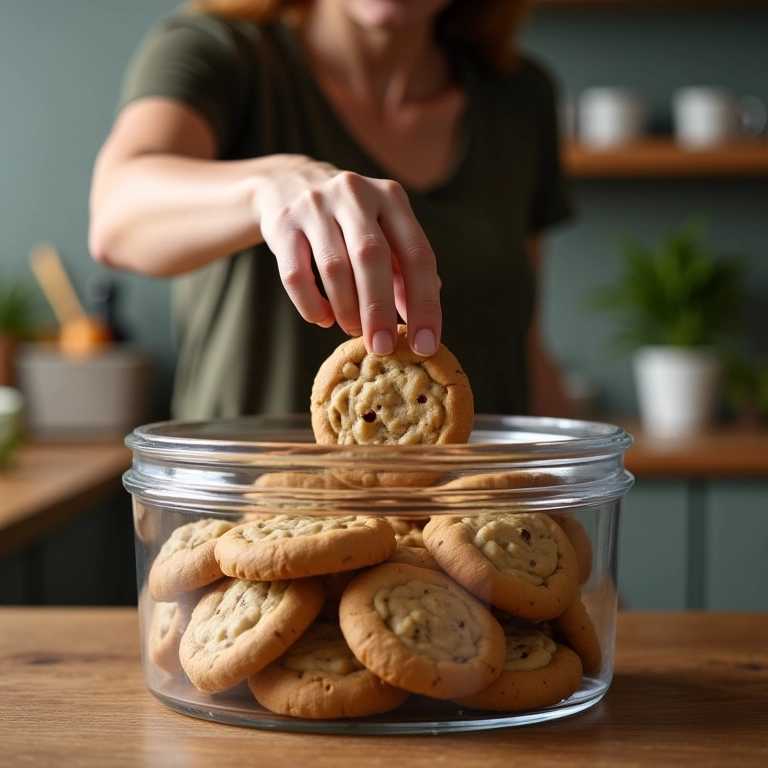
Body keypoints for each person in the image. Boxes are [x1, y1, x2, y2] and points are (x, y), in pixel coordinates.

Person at [89, 0, 575, 421]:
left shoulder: (519, 97)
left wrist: (569, 497)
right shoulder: (220, 54)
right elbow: (118, 213)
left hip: (464, 517)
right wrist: (266, 188)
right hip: (251, 513)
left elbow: (524, 341)